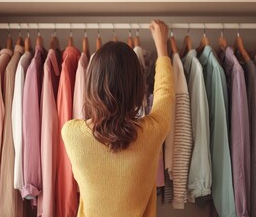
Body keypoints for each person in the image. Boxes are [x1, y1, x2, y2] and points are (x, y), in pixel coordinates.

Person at [62, 20, 175, 217]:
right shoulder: (152, 131)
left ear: (91, 85)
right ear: (137, 88)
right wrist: (162, 48)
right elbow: (165, 93)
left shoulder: (71, 133)